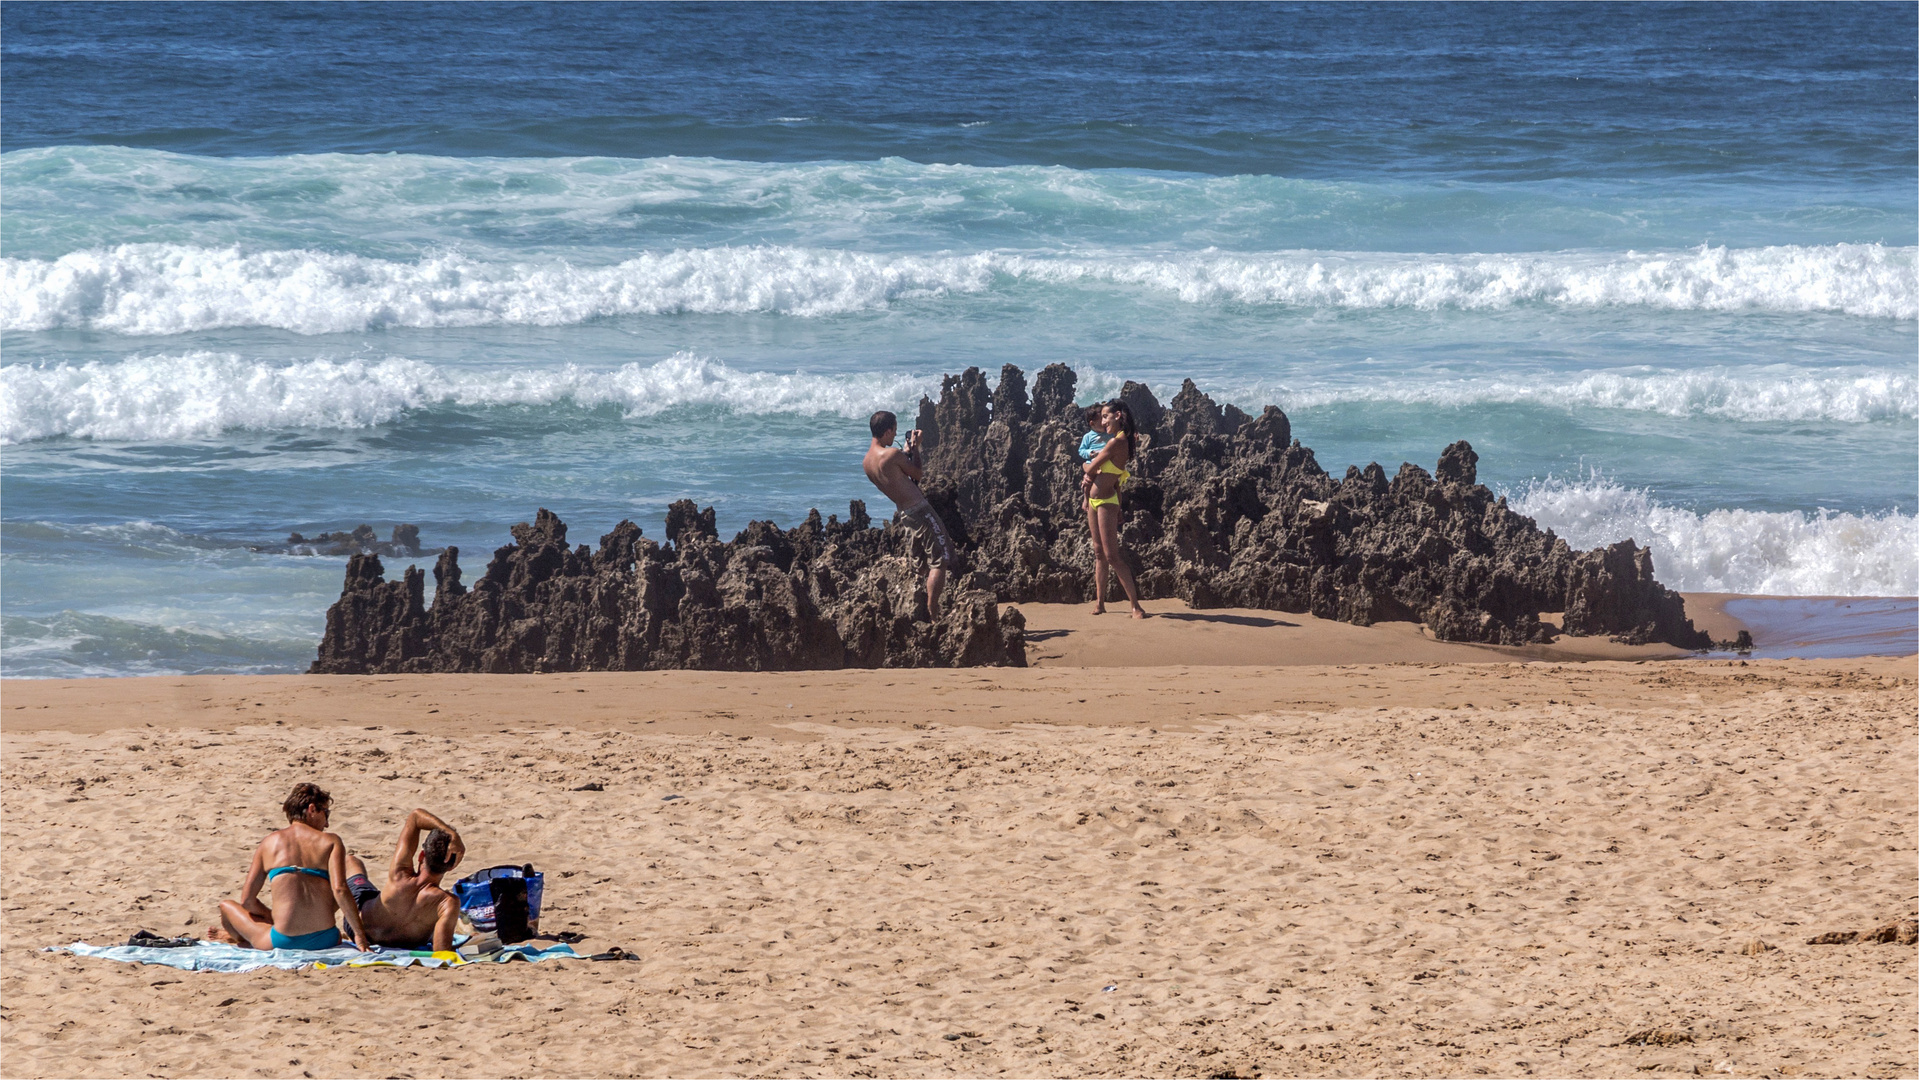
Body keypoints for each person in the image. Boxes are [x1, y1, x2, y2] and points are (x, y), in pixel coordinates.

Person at [212, 782, 369, 951]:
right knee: (349, 868)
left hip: (282, 941)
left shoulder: (269, 843)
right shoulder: (331, 841)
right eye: (326, 813)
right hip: (327, 938)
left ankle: (241, 938)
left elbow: (247, 901)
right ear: (312, 809)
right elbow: (340, 889)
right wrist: (360, 936)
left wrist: (269, 916)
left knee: (226, 906)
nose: (327, 824)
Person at [863, 410, 958, 618]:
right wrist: (915, 449)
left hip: (905, 514)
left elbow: (895, 478)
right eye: (894, 432)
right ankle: (933, 611)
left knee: (921, 564)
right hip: (920, 511)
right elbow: (918, 474)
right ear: (887, 431)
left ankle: (918, 605)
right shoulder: (891, 455)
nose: (894, 436)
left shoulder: (867, 463)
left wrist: (906, 451)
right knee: (940, 560)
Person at [343, 808, 466, 953]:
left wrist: (452, 834)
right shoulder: (447, 903)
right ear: (451, 867)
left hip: (359, 928)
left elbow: (415, 817)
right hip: (404, 944)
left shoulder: (400, 873)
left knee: (350, 861)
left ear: (421, 856)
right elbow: (441, 952)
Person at [1083, 399, 1147, 619]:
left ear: (1118, 416)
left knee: (1112, 556)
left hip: (1106, 502)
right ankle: (1100, 603)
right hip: (1093, 501)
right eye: (1101, 417)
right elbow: (1116, 479)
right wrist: (1088, 487)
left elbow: (1091, 467)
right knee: (1098, 553)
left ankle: (1136, 607)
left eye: (1106, 417)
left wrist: (1086, 469)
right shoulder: (1119, 440)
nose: (1103, 421)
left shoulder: (1116, 443)